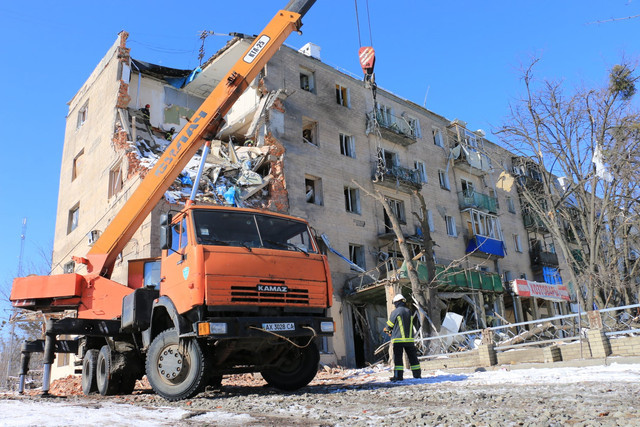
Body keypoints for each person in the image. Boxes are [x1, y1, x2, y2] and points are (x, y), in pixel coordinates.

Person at [384, 293, 421, 381]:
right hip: (409, 340)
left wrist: (386, 329)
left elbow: (390, 325)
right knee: (413, 358)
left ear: (397, 303)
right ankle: (417, 375)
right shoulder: (409, 311)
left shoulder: (396, 312)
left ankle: (398, 376)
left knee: (398, 359)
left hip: (398, 340)